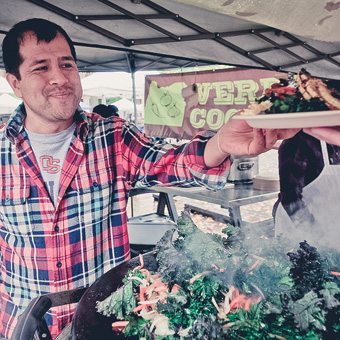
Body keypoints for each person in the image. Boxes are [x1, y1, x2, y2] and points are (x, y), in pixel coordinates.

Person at [0, 18, 298, 338]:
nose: (59, 77)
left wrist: (219, 144)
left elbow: (170, 163)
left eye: (67, 64)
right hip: (25, 323)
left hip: (108, 321)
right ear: (15, 83)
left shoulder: (112, 136)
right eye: (40, 67)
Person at [273, 129, 340, 247]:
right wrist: (321, 239)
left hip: (333, 225)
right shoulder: (296, 142)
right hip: (301, 228)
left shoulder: (336, 141)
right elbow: (291, 200)